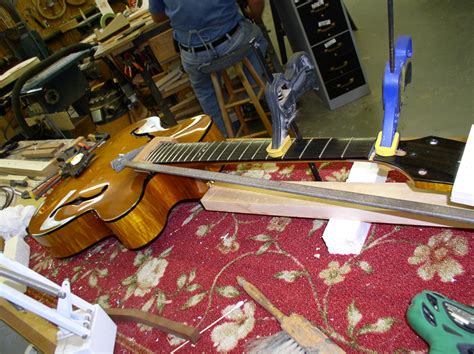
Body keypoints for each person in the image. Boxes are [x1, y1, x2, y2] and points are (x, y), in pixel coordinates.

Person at [149, 0, 267, 136]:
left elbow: (157, 16)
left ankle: (226, 140)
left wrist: (179, 11)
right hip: (232, 40)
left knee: (206, 93)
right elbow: (256, 2)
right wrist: (256, 17)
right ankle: (255, 94)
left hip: (195, 53)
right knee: (257, 39)